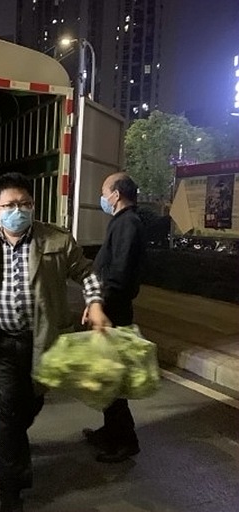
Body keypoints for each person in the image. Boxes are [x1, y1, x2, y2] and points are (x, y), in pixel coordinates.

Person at [0, 172, 110, 512]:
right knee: (6, 413)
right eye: (10, 205)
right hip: (1, 341)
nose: (18, 210)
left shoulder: (57, 241)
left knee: (30, 404)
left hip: (41, 341)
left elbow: (86, 272)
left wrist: (95, 303)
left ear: (33, 206)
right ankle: (10, 489)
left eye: (25, 204)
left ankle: (15, 449)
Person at [81, 172, 147, 463]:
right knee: (108, 374)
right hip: (110, 308)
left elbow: (118, 274)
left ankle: (126, 441)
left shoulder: (128, 224)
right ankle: (111, 432)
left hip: (115, 311)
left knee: (114, 377)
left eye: (104, 192)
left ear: (116, 194)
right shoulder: (122, 222)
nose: (103, 198)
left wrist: (100, 304)